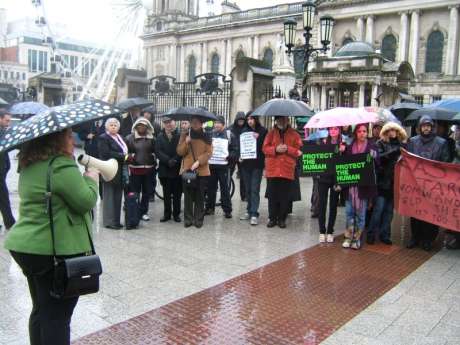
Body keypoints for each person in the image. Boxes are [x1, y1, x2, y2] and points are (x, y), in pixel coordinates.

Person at [4, 128, 99, 345]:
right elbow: (84, 201)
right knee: (58, 316)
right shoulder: (60, 165)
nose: (72, 140)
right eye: (68, 136)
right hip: (53, 249)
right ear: (55, 140)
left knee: (41, 309)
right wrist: (92, 179)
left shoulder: (29, 164)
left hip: (25, 246)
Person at [407, 115, 450, 251]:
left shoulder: (441, 143)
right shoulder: (413, 141)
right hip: (416, 185)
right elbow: (408, 160)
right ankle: (415, 237)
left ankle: (428, 239)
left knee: (431, 213)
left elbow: (446, 163)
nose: (426, 128)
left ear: (432, 127)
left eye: (428, 126)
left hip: (433, 185)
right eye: (423, 126)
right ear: (420, 127)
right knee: (415, 212)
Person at [367, 122, 407, 245]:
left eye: (395, 130)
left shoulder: (402, 146)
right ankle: (371, 234)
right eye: (390, 130)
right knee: (378, 210)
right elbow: (378, 158)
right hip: (382, 182)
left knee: (389, 212)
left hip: (394, 184)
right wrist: (394, 152)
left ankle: (385, 234)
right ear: (385, 132)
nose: (392, 133)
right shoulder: (379, 144)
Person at [342, 124, 378, 250]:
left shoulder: (372, 146)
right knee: (349, 213)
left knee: (360, 215)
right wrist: (341, 151)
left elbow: (376, 164)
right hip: (350, 186)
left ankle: (357, 239)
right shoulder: (349, 146)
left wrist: (375, 157)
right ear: (356, 133)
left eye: (364, 131)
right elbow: (343, 163)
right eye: (360, 131)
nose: (362, 133)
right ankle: (348, 237)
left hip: (363, 187)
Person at [263, 116, 302, 228]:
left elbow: (298, 151)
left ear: (288, 121)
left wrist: (288, 149)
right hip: (273, 169)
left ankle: (282, 219)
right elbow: (264, 149)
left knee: (284, 196)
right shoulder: (270, 134)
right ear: (276, 121)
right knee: (272, 196)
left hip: (287, 169)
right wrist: (275, 149)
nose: (282, 121)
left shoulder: (294, 134)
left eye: (284, 119)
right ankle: (272, 218)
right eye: (279, 120)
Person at [177, 116, 212, 228]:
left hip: (202, 170)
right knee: (188, 196)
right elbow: (180, 152)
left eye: (197, 123)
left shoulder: (207, 136)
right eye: (193, 123)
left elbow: (209, 153)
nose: (194, 125)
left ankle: (198, 219)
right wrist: (185, 142)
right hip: (188, 170)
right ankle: (188, 219)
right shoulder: (186, 135)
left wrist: (199, 161)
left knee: (200, 196)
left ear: (201, 124)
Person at [317, 127, 346, 243]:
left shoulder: (343, 144)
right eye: (331, 129)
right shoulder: (323, 142)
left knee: (333, 205)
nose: (333, 131)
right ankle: (321, 231)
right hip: (323, 178)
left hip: (336, 179)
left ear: (339, 131)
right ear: (328, 131)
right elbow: (317, 158)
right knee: (322, 205)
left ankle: (330, 231)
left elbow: (346, 163)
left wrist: (343, 152)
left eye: (335, 129)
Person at [98, 118, 128, 229]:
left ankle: (116, 220)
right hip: (109, 169)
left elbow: (125, 151)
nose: (113, 126)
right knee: (109, 196)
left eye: (115, 125)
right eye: (111, 125)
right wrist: (123, 157)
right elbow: (106, 153)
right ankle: (109, 222)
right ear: (106, 127)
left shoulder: (121, 138)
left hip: (120, 170)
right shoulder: (103, 138)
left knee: (118, 196)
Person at [205, 116, 237, 218]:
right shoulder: (211, 134)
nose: (217, 125)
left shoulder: (229, 135)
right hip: (212, 165)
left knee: (224, 188)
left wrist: (229, 156)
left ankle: (227, 210)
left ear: (223, 124)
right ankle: (210, 208)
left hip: (223, 166)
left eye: (219, 123)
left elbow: (235, 150)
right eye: (215, 123)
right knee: (211, 188)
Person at [125, 117, 156, 221]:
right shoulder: (129, 138)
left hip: (148, 169)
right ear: (136, 126)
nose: (141, 127)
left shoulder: (152, 138)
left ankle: (144, 212)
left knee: (147, 192)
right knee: (135, 191)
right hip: (135, 169)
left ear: (147, 127)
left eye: (143, 126)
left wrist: (154, 158)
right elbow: (125, 152)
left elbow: (155, 151)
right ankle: (135, 210)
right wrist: (130, 157)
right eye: (139, 125)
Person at [239, 114, 267, 225]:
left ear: (256, 119)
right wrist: (240, 156)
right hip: (246, 164)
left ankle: (254, 213)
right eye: (248, 119)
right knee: (248, 189)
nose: (249, 121)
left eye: (251, 119)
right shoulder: (244, 131)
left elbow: (265, 147)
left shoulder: (263, 131)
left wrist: (258, 138)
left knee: (255, 189)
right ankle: (249, 210)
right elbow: (240, 145)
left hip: (257, 165)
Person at [156, 117, 182, 223]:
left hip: (177, 168)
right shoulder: (160, 136)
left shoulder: (180, 135)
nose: (168, 124)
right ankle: (167, 214)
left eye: (170, 122)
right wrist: (168, 160)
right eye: (166, 123)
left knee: (177, 194)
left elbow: (183, 149)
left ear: (174, 122)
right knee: (166, 194)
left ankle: (176, 214)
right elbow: (158, 151)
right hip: (165, 169)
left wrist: (175, 159)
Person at [0, 110, 16, 230]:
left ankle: (9, 221)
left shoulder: (4, 131)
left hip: (3, 169)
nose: (9, 123)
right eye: (7, 120)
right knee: (3, 197)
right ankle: (9, 222)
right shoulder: (2, 133)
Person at [142, 109, 161, 202]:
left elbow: (158, 140)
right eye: (145, 112)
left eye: (148, 113)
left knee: (152, 176)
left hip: (151, 154)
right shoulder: (140, 123)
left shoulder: (156, 125)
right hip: (142, 154)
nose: (146, 114)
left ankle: (151, 194)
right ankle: (145, 193)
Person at [229, 111, 247, 201]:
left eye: (242, 120)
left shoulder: (247, 129)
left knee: (243, 177)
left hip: (242, 156)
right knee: (228, 176)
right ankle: (226, 194)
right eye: (239, 120)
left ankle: (244, 196)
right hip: (232, 156)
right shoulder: (230, 128)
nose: (241, 122)